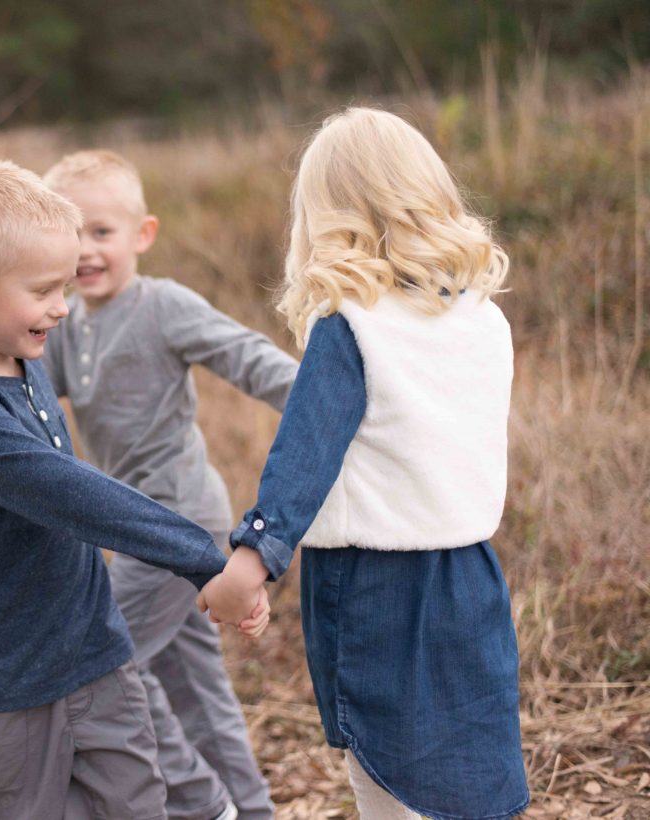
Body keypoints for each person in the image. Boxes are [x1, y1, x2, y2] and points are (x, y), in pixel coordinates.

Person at [0, 149, 297, 819]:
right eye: (48, 289)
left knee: (149, 742)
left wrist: (324, 406)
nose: (62, 305)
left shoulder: (25, 347)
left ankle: (226, 808)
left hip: (125, 593)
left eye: (67, 286)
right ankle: (224, 807)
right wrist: (211, 562)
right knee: (167, 706)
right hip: (28, 651)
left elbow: (21, 456)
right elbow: (50, 479)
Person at [198, 107, 530, 820]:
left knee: (389, 781)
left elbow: (304, 456)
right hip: (470, 576)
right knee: (468, 772)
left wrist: (249, 563)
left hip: (374, 580)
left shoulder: (351, 325)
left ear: (326, 216)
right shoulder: (484, 319)